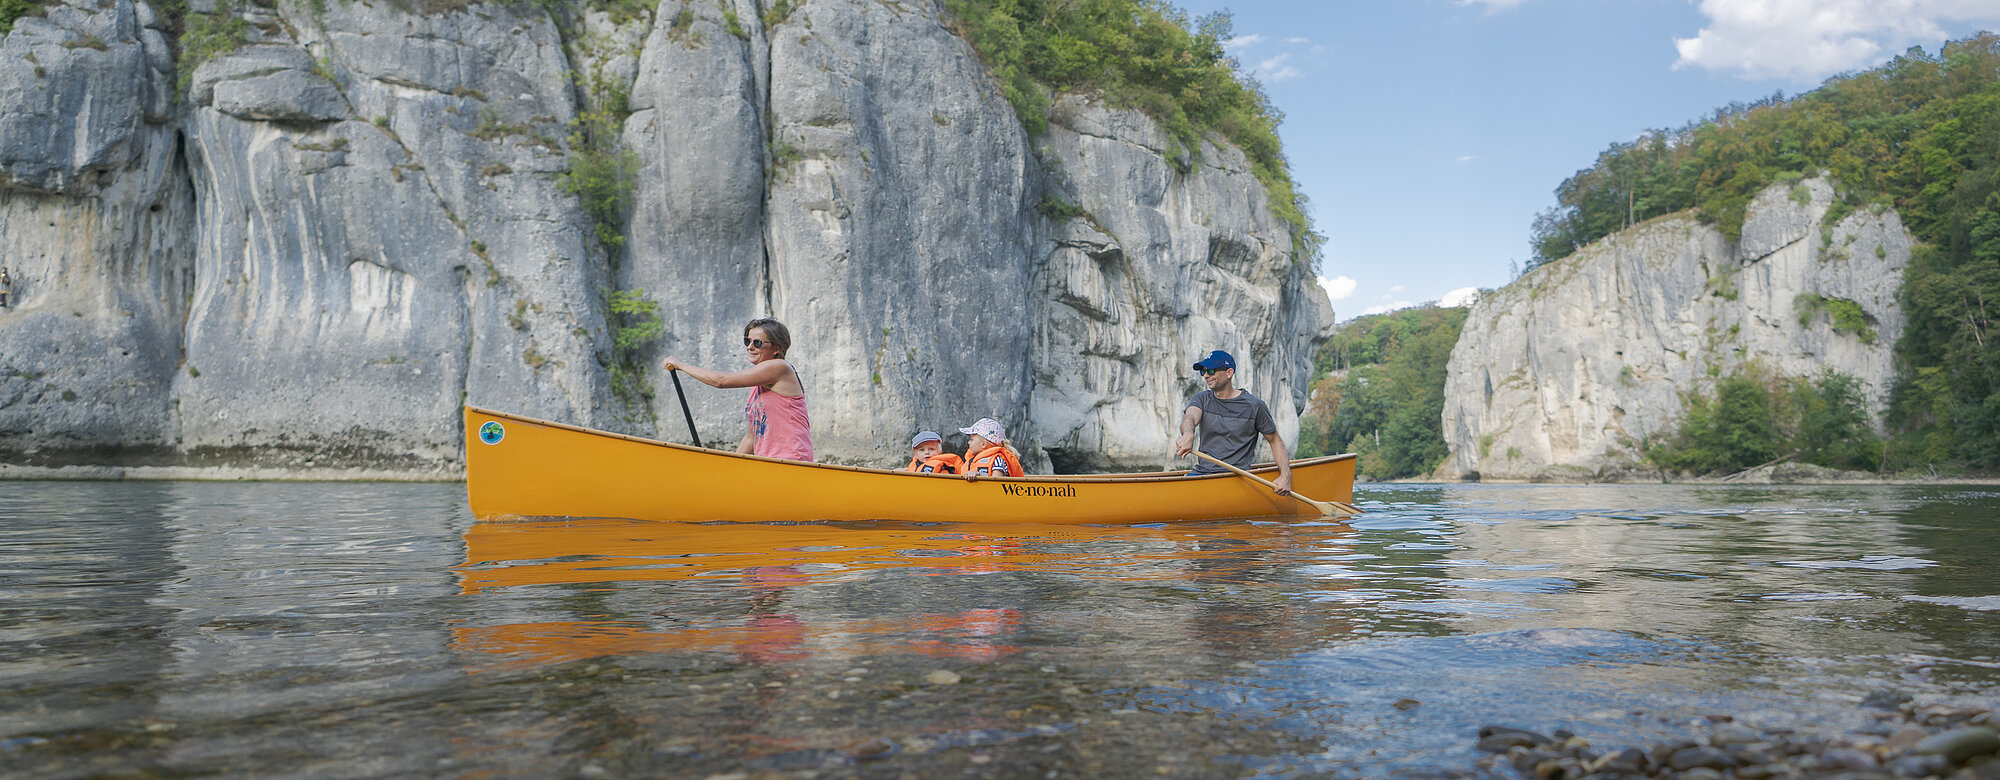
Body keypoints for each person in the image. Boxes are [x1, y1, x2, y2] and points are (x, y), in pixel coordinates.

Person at [662, 317, 814, 462]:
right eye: (747, 341)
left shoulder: (780, 366)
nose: (750, 346)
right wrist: (729, 469)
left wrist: (680, 365)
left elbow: (721, 381)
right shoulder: (757, 386)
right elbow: (750, 438)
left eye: (757, 342)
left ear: (776, 348)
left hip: (791, 460)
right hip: (769, 462)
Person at [1172, 349, 1293, 495]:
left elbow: (1275, 441)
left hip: (1237, 480)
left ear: (1229, 373)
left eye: (1211, 371)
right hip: (1202, 475)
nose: (1205, 375)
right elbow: (1190, 417)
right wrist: (1188, 434)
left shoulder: (1254, 406)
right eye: (1202, 371)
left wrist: (1285, 476)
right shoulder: (1202, 399)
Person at [959, 417, 1024, 479]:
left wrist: (978, 476)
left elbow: (996, 483)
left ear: (983, 444)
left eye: (972, 439)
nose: (968, 442)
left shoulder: (997, 460)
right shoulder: (972, 460)